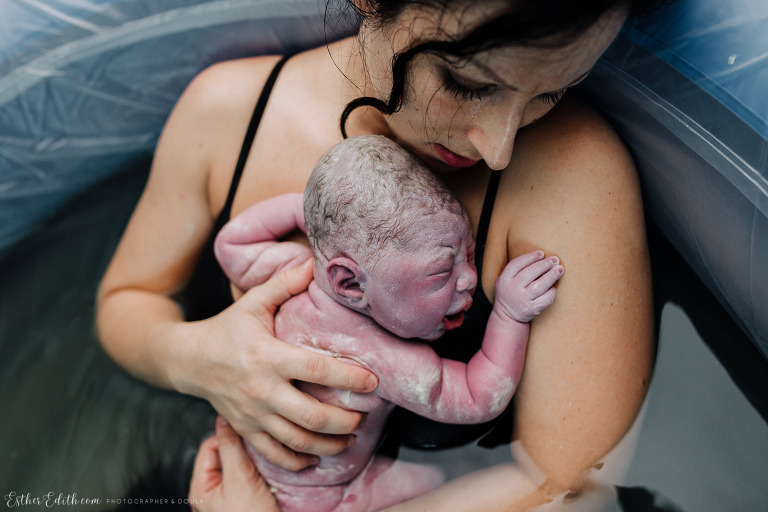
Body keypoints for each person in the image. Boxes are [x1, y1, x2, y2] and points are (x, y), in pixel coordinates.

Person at [97, 0, 658, 509]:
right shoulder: (227, 113)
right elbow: (129, 300)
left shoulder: (573, 179)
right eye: (466, 82)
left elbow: (572, 487)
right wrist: (197, 358)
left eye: (550, 92)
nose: (500, 147)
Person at [212, 134, 563, 511]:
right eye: (443, 272)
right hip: (326, 501)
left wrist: (315, 221)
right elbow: (482, 397)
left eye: (470, 253)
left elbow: (231, 244)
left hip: (228, 460)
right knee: (434, 478)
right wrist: (510, 315)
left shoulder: (289, 273)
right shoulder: (386, 362)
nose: (470, 280)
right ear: (349, 283)